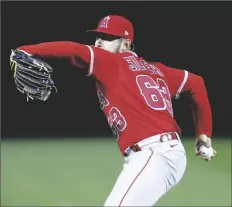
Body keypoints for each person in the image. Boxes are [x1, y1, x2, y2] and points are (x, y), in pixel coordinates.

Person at [12, 15, 216, 206]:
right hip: (159, 154)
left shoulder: (110, 61)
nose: (99, 42)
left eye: (108, 37)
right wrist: (203, 135)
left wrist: (27, 50)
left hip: (154, 154)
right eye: (98, 37)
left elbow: (73, 49)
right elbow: (196, 83)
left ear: (126, 44)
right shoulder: (157, 69)